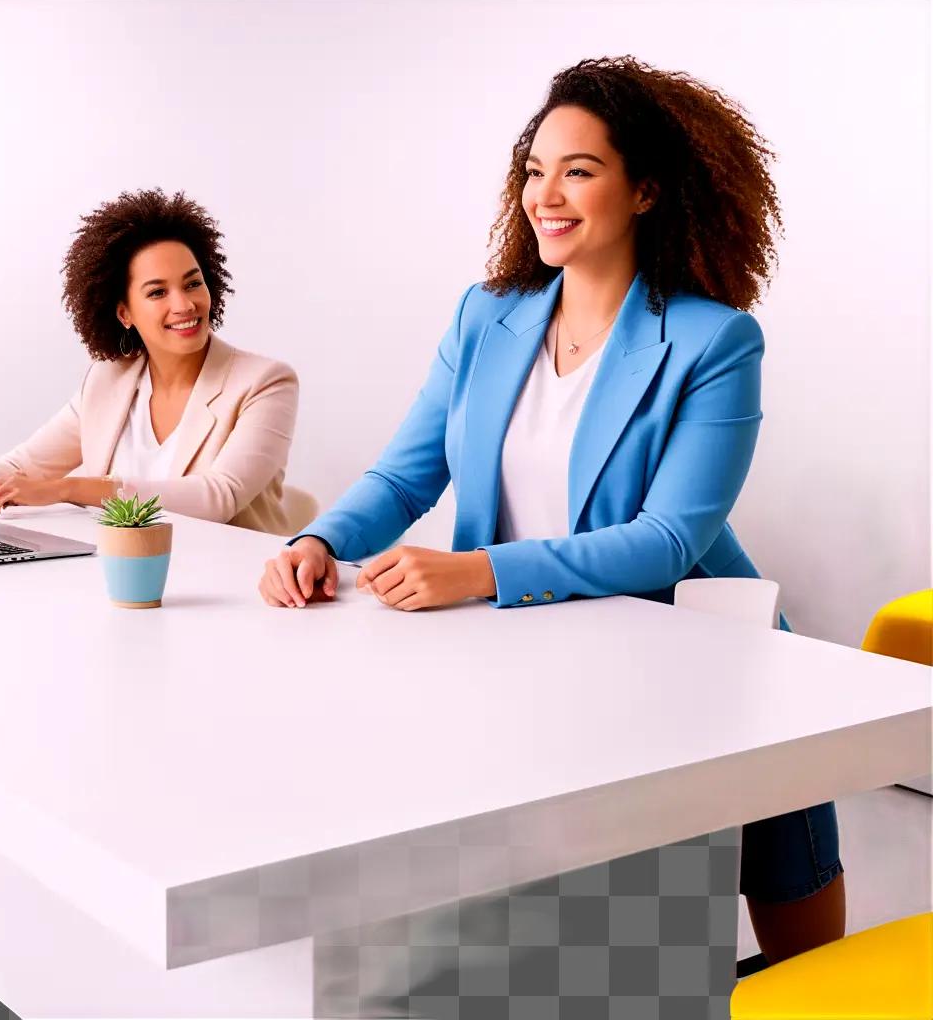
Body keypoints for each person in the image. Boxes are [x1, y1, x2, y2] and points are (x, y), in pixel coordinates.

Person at [258, 56, 845, 963]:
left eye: (579, 170)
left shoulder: (714, 340)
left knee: (792, 918)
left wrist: (477, 572)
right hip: (527, 651)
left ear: (647, 190)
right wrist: (320, 538)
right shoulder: (486, 316)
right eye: (535, 171)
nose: (546, 194)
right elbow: (409, 474)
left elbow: (667, 540)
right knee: (564, 915)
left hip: (697, 650)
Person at [0, 189, 300, 535]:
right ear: (124, 313)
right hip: (120, 567)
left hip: (230, 574)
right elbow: (26, 465)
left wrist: (68, 487)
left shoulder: (265, 382)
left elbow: (219, 496)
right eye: (157, 292)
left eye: (193, 283)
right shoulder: (109, 380)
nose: (184, 305)